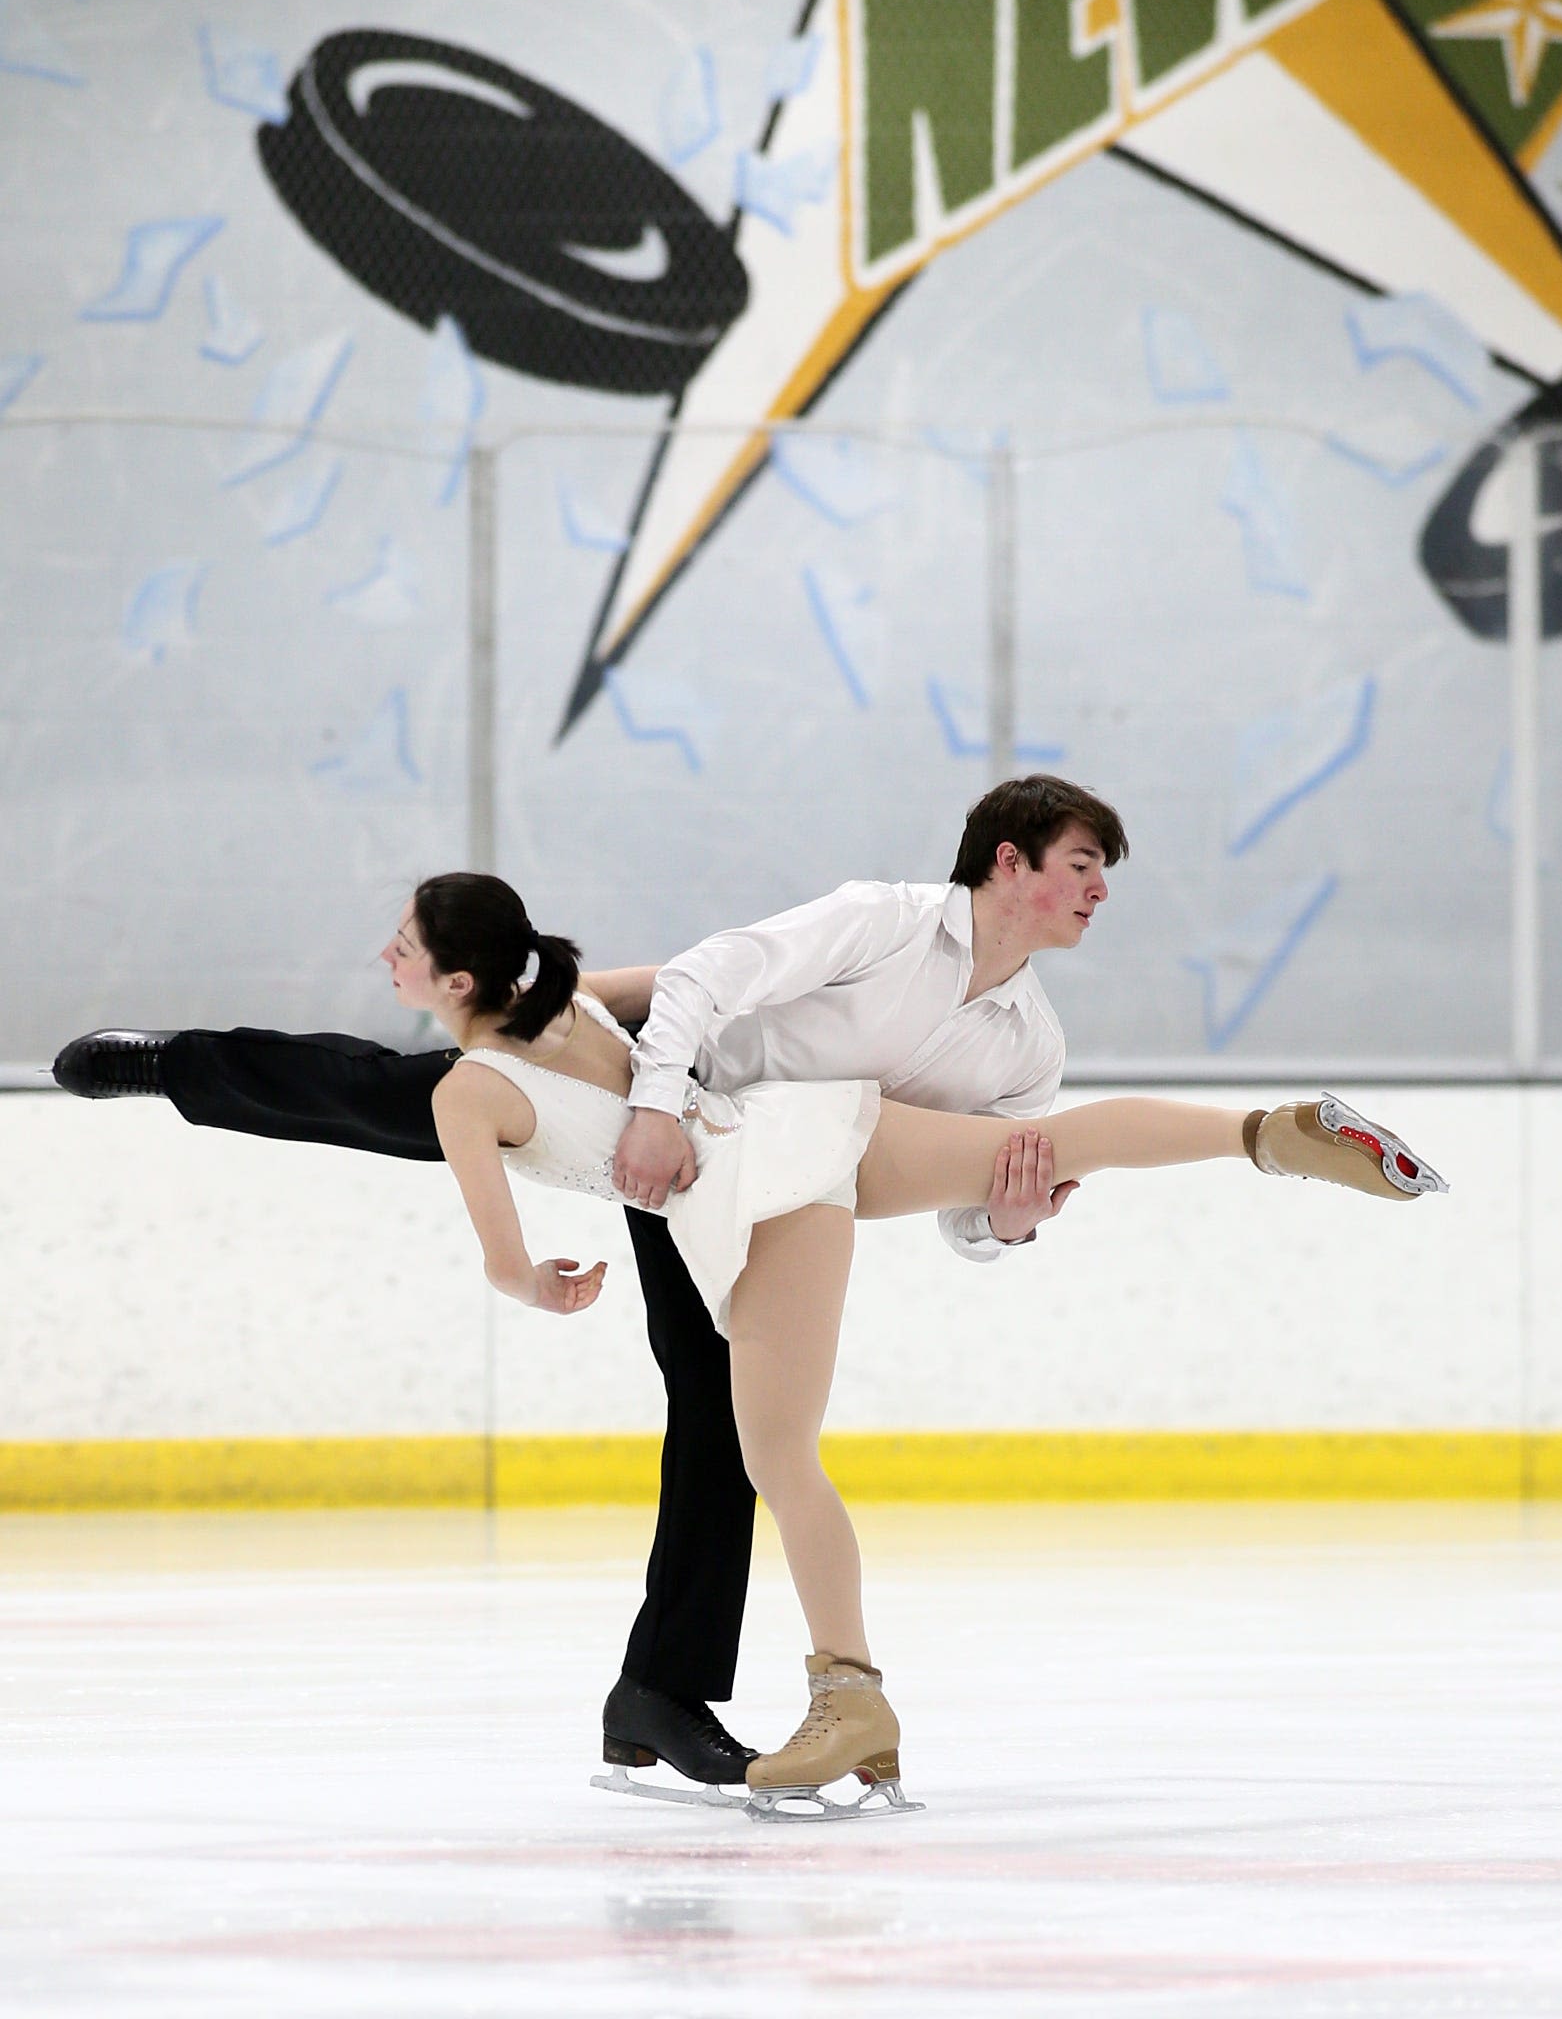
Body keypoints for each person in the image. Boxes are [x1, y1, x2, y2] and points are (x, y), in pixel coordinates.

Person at [52, 775, 1133, 1792]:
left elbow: (968, 1209)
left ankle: (656, 1696)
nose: (1098, 890)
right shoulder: (890, 919)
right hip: (674, 1070)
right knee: (431, 1094)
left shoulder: (1031, 1047)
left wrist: (1009, 1223)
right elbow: (706, 978)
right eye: (1082, 864)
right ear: (1008, 862)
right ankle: (175, 1063)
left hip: (747, 1177)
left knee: (720, 1420)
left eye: (1105, 874)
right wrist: (651, 1098)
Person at [391, 865, 1444, 1809]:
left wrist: (541, 1285)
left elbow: (502, 1259)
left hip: (756, 1193)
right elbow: (679, 984)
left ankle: (850, 1698)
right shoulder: (572, 1002)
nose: (385, 957)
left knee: (779, 1457)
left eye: (403, 946)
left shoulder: (464, 1091)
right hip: (809, 1120)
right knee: (1044, 1146)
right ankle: (1266, 1134)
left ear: (453, 984)